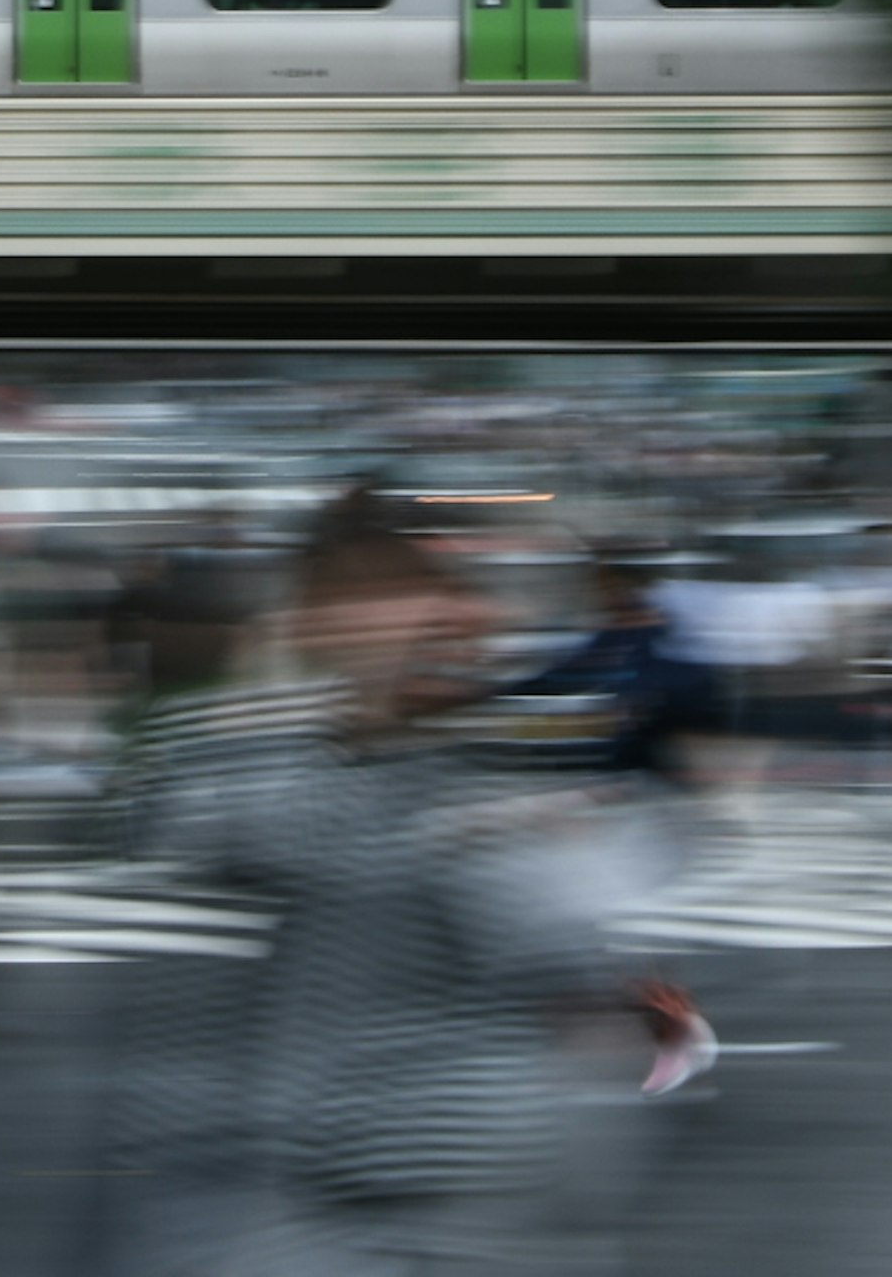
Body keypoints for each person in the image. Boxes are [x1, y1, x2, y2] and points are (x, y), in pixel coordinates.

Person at [134, 490, 642, 1274]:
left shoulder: (508, 783)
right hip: (308, 1177)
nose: (453, 620)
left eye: (453, 597)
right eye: (389, 595)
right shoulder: (263, 775)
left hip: (471, 1187)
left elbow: (581, 1000)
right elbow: (215, 831)